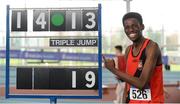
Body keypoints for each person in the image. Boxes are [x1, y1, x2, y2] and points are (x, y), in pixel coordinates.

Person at [103, 12, 164, 103]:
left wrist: (113, 69)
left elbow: (142, 83)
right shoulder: (128, 50)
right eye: (127, 27)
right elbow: (128, 83)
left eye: (134, 26)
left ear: (142, 26)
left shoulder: (151, 47)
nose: (130, 30)